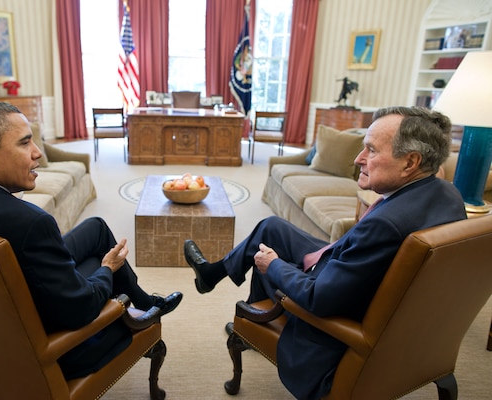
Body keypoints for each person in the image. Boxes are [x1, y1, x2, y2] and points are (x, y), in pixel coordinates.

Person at [183, 106, 467, 400]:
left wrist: (275, 265)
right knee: (271, 228)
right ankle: (215, 276)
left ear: (411, 162)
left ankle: (244, 305)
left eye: (370, 150)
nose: (358, 159)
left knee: (266, 255)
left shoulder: (385, 227)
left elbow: (318, 299)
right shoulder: (447, 194)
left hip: (332, 320)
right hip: (359, 281)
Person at [0, 101, 182, 380]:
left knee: (96, 228)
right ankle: (141, 308)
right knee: (102, 261)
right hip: (53, 347)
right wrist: (107, 269)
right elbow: (81, 310)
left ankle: (144, 300)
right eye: (25, 143)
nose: (37, 153)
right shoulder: (30, 223)